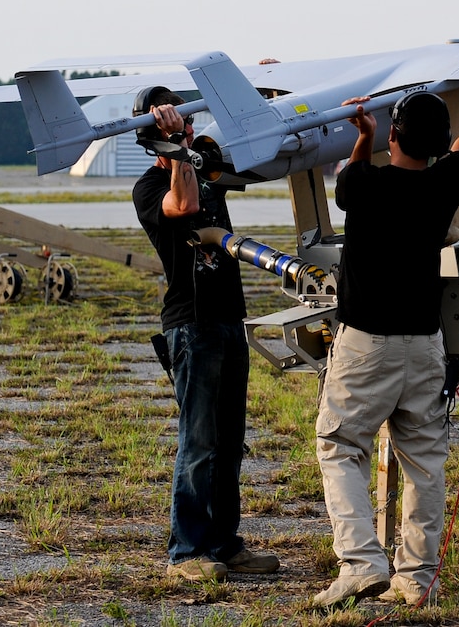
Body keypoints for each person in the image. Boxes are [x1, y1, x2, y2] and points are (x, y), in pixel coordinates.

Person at [312, 81, 459, 608]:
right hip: (424, 348)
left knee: (340, 445)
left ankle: (361, 564)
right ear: (438, 145)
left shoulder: (362, 186)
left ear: (392, 134)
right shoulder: (445, 184)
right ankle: (417, 579)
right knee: (424, 462)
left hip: (365, 346)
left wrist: (362, 136)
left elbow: (349, 178)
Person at [131, 86, 280, 582]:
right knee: (198, 442)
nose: (189, 134)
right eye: (177, 132)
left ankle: (224, 542)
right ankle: (186, 552)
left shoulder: (204, 171)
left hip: (227, 321)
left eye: (189, 127)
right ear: (155, 143)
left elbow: (258, 158)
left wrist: (271, 98)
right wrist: (176, 148)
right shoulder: (150, 189)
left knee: (230, 440)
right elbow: (185, 202)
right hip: (190, 325)